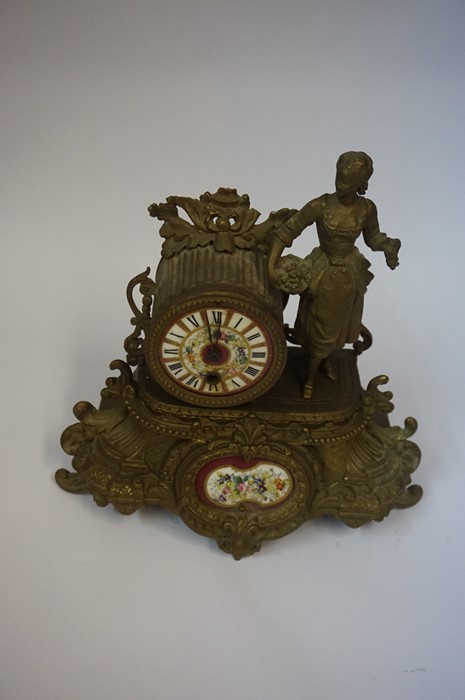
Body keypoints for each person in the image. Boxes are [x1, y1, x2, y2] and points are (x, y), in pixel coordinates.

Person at [268, 151, 400, 399]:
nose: (341, 186)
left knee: (337, 323)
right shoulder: (321, 205)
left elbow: (373, 238)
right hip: (323, 269)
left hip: (349, 273)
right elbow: (288, 231)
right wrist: (272, 264)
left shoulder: (367, 209)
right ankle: (309, 375)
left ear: (361, 183)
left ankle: (323, 359)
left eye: (348, 182)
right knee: (317, 321)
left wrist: (388, 245)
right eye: (339, 179)